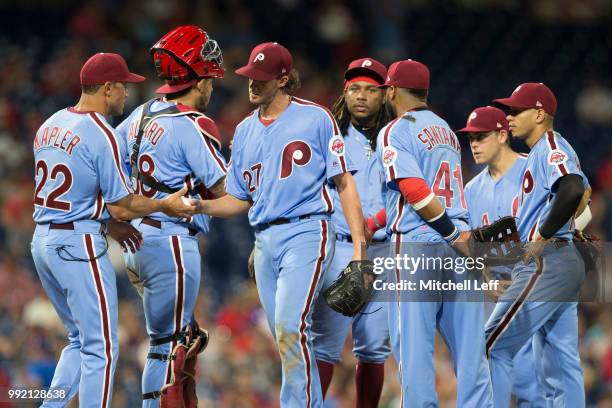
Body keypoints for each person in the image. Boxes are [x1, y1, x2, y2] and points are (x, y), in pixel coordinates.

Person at [194, 42, 367, 407]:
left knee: (292, 330)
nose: (251, 84)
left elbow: (344, 182)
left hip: (307, 231)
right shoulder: (243, 130)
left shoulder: (316, 118)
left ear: (283, 79)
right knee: (285, 338)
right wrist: (196, 206)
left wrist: (359, 246)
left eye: (260, 78)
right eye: (249, 77)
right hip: (265, 239)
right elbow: (240, 198)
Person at [31, 52, 195, 408]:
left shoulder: (50, 124)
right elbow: (123, 204)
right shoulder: (101, 132)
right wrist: (164, 205)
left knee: (79, 340)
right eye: (124, 86)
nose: (127, 94)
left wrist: (107, 221)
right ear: (107, 88)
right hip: (77, 243)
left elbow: (75, 191)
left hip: (43, 240)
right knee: (102, 347)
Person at [115, 25, 227, 407]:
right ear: (198, 78)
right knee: (171, 347)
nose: (211, 86)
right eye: (209, 78)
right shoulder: (192, 124)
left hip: (136, 240)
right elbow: (227, 189)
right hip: (170, 241)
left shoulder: (136, 116)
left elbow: (109, 173)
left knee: (163, 343)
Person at [376, 59, 493, 407]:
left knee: (414, 355)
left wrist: (449, 233)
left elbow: (414, 190)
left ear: (392, 90)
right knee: (472, 355)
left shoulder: (395, 130)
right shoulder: (446, 130)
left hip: (420, 246)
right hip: (462, 248)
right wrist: (458, 236)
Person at [487, 83, 588, 407]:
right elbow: (582, 192)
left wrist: (543, 235)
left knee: (491, 345)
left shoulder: (551, 145)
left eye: (517, 110)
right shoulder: (538, 154)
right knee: (560, 364)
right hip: (560, 260)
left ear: (540, 113)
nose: (509, 116)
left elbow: (572, 188)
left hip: (550, 259)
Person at [311, 57, 392, 407]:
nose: (361, 96)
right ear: (345, 94)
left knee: (375, 347)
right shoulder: (331, 138)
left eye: (370, 89)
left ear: (385, 94)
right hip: (340, 249)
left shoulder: (398, 138)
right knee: (325, 344)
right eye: (354, 88)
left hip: (384, 251)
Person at [458, 106, 544, 407]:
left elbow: (578, 210)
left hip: (538, 289)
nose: (475, 144)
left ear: (503, 134)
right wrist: (485, 281)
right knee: (499, 384)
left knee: (536, 388)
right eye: (471, 139)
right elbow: (471, 248)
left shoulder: (534, 168)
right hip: (497, 298)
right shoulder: (471, 190)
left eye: (481, 137)